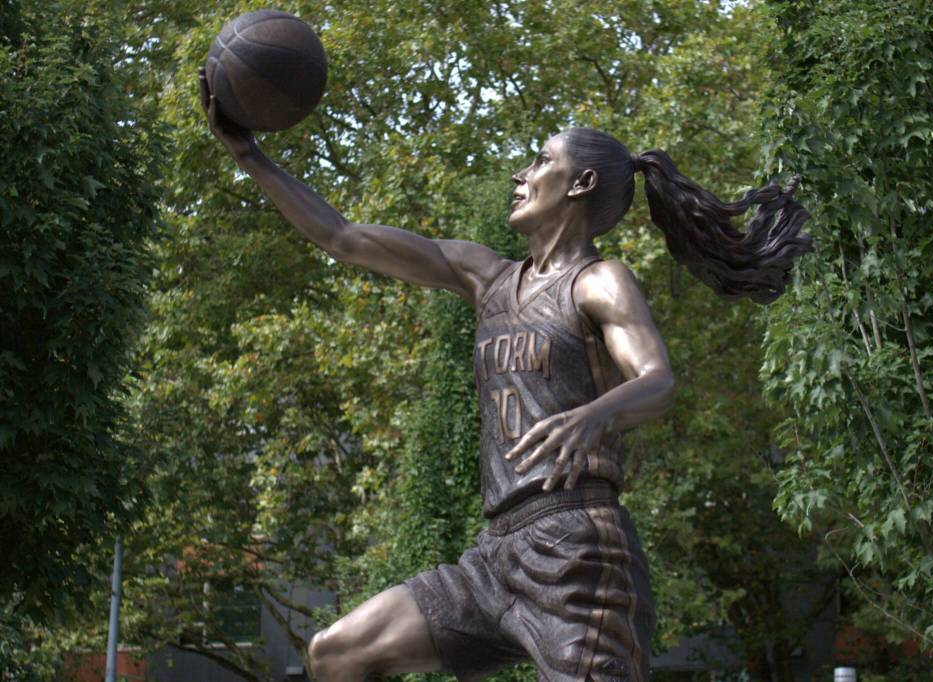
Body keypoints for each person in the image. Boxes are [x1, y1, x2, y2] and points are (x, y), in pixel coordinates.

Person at [199, 68, 810, 682]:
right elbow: (343, 236)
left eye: (540, 161)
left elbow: (657, 381)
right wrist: (251, 155)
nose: (521, 175)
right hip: (496, 558)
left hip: (578, 550)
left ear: (581, 184)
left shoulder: (599, 281)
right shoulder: (485, 276)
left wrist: (595, 414)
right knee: (338, 653)